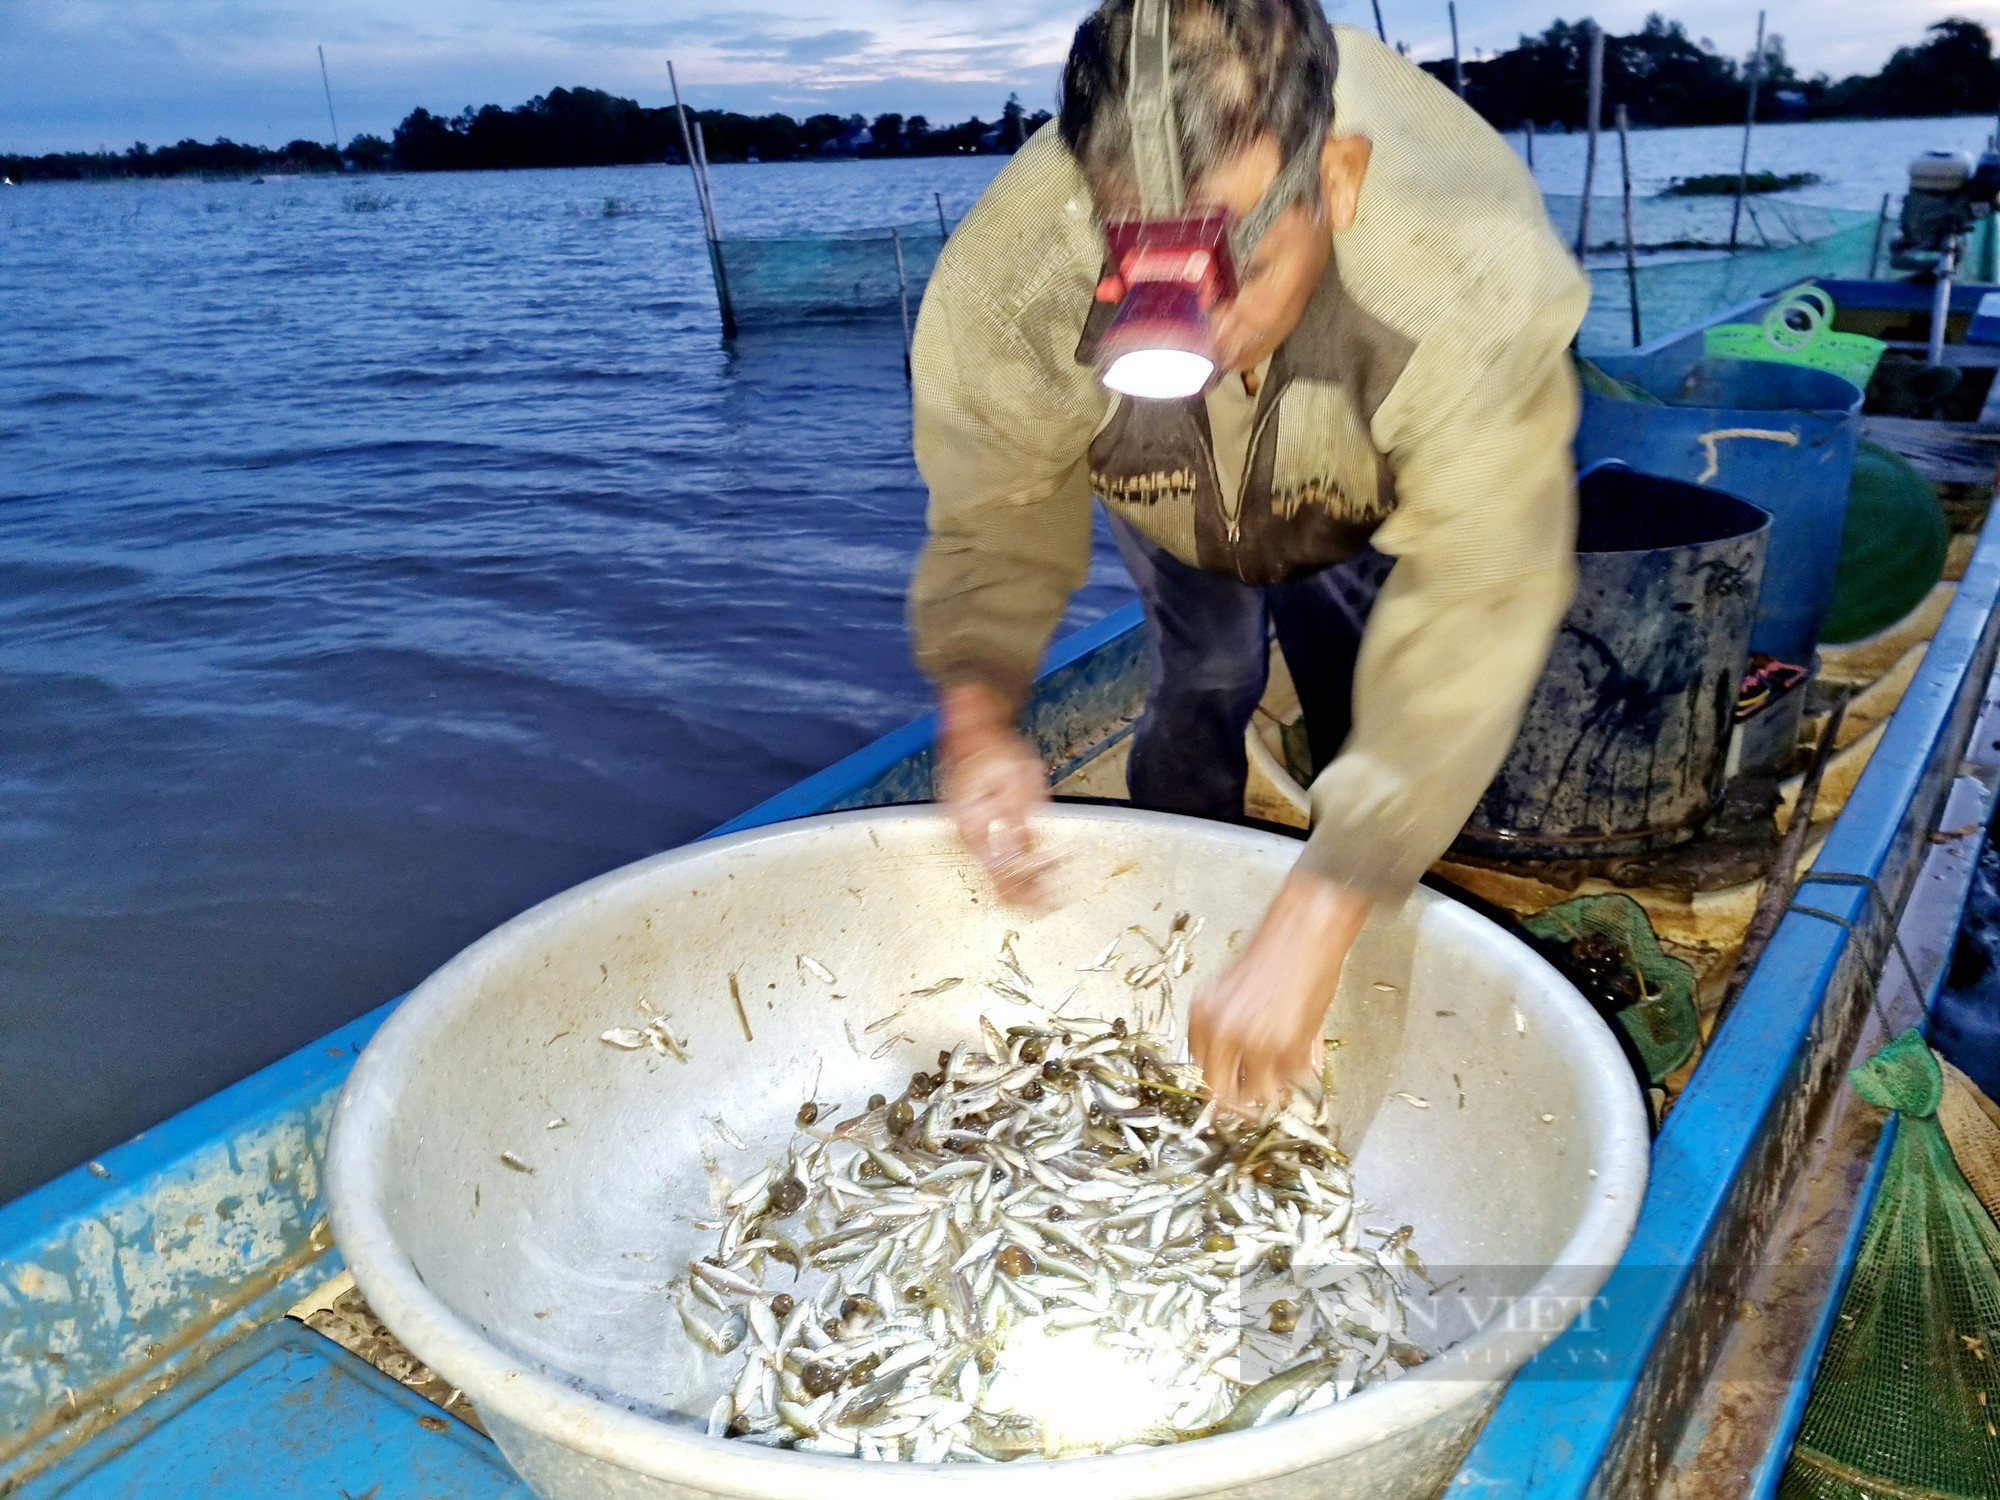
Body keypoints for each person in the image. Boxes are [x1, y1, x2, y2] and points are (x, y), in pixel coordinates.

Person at [908, 0, 1588, 1110]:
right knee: (1207, 670)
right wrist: (978, 715)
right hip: (1167, 479)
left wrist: (1326, 899)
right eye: (1150, 282)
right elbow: (993, 511)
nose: (1202, 339)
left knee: (1370, 690)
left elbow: (1479, 586)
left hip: (1365, 463)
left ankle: (1340, 895)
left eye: (1241, 267)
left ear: (1338, 180)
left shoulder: (1465, 277)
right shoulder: (1017, 280)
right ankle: (1192, 886)